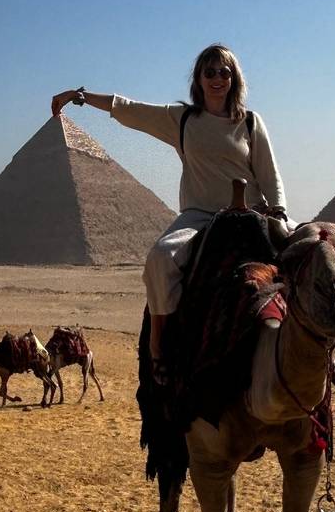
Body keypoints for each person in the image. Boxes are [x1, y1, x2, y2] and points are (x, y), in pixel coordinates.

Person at [51, 44, 290, 381]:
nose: (217, 78)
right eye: (210, 72)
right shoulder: (183, 120)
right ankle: (160, 342)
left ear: (234, 78)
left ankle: (318, 349)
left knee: (313, 249)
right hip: (201, 215)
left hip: (253, 212)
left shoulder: (250, 122)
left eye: (224, 72)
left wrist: (279, 212)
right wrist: (81, 96)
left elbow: (270, 174)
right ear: (199, 78)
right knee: (160, 259)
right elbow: (131, 109)